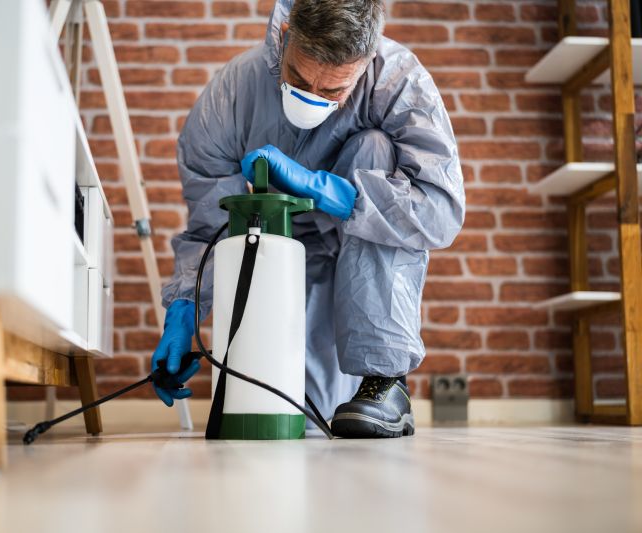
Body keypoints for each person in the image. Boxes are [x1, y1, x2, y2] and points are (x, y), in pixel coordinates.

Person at [150, 0, 465, 438]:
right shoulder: (231, 96)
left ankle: (384, 382)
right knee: (296, 415)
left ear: (365, 61)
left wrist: (337, 193)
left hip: (362, 253)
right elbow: (209, 224)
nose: (310, 96)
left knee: (374, 146)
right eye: (298, 77)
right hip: (273, 254)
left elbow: (440, 208)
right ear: (283, 37)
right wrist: (185, 307)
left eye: (332, 91)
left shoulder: (398, 82)